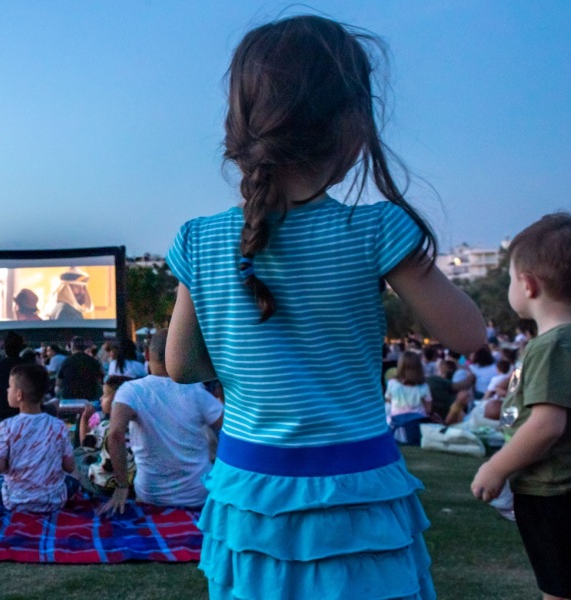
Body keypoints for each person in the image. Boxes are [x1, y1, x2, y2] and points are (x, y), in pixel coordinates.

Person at [164, 16, 486, 599]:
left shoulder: (198, 240)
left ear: (240, 128)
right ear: (353, 124)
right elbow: (467, 334)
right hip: (354, 490)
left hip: (249, 491)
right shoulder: (376, 230)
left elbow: (182, 366)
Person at [471, 213, 571, 600]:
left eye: (511, 278)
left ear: (528, 285)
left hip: (552, 491)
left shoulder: (551, 345)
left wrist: (496, 467)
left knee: (558, 591)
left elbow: (547, 425)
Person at [99, 331, 223, 514]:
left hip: (151, 495)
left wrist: (122, 486)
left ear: (148, 355)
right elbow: (230, 431)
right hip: (198, 494)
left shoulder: (131, 391)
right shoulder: (197, 392)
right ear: (183, 357)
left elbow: (115, 434)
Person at [0, 364, 77, 512]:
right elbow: (70, 467)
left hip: (15, 500)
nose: (7, 390)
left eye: (10, 387)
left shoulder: (7, 426)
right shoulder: (58, 425)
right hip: (54, 501)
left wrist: (11, 465)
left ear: (19, 395)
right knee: (74, 479)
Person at [385, 352, 433, 424]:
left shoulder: (392, 383)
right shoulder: (424, 386)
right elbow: (428, 409)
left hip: (396, 422)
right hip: (418, 422)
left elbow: (388, 402)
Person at [56, 337, 102, 405]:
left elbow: (58, 382)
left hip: (69, 398)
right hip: (90, 397)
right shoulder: (93, 361)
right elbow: (99, 380)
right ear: (84, 348)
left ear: (72, 347)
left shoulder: (66, 361)